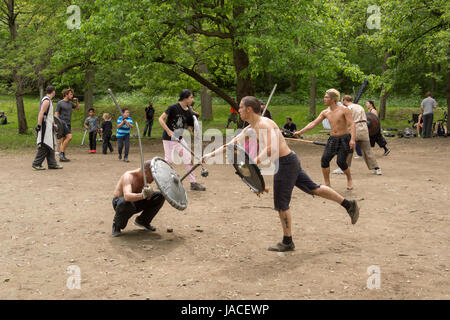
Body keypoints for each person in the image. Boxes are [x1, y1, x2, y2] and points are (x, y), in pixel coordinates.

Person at [202, 96, 359, 252]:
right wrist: (207, 156)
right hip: (288, 161)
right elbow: (231, 145)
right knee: (314, 188)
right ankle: (348, 204)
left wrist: (253, 164)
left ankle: (287, 241)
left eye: (241, 107)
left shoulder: (264, 124)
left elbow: (271, 148)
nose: (239, 110)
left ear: (249, 109)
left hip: (285, 163)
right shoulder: (251, 128)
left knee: (281, 204)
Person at [295, 89, 356, 190]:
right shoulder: (325, 112)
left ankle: (349, 179)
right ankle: (327, 184)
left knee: (341, 162)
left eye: (326, 97)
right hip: (332, 139)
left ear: (333, 99)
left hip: (344, 139)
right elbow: (313, 123)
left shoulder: (344, 110)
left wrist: (352, 139)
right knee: (324, 160)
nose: (324, 99)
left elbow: (352, 124)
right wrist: (300, 132)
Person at [158, 89, 206, 191]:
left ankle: (193, 183)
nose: (192, 99)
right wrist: (168, 131)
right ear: (185, 98)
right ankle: (163, 182)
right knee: (169, 161)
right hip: (168, 139)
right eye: (191, 97)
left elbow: (190, 127)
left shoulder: (188, 111)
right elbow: (160, 119)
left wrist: (195, 130)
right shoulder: (173, 107)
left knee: (188, 159)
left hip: (179, 139)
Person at [111, 160, 165, 237]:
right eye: (153, 175)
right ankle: (117, 225)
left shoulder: (145, 177)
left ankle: (143, 221)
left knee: (159, 196)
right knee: (125, 202)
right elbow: (127, 196)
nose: (154, 179)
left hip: (136, 201)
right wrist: (143, 195)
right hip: (121, 203)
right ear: (146, 172)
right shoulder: (128, 176)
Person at [342, 95, 382, 175]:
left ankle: (343, 168)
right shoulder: (359, 106)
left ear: (344, 100)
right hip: (364, 129)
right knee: (368, 150)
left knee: (348, 149)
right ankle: (377, 168)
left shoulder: (348, 108)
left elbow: (347, 121)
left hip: (354, 129)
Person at [32, 85, 63, 170]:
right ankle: (36, 163)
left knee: (51, 144)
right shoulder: (46, 101)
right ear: (53, 91)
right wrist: (39, 126)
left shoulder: (49, 100)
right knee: (44, 144)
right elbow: (41, 113)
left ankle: (52, 164)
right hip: (45, 126)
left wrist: (54, 124)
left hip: (49, 126)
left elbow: (50, 115)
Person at [55, 88, 80, 162]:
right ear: (66, 94)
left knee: (64, 140)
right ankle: (62, 154)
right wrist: (56, 124)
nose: (72, 96)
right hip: (62, 123)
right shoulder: (60, 103)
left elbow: (77, 108)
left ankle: (62, 156)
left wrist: (77, 102)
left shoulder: (70, 103)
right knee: (69, 137)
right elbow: (56, 114)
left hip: (68, 123)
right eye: (71, 94)